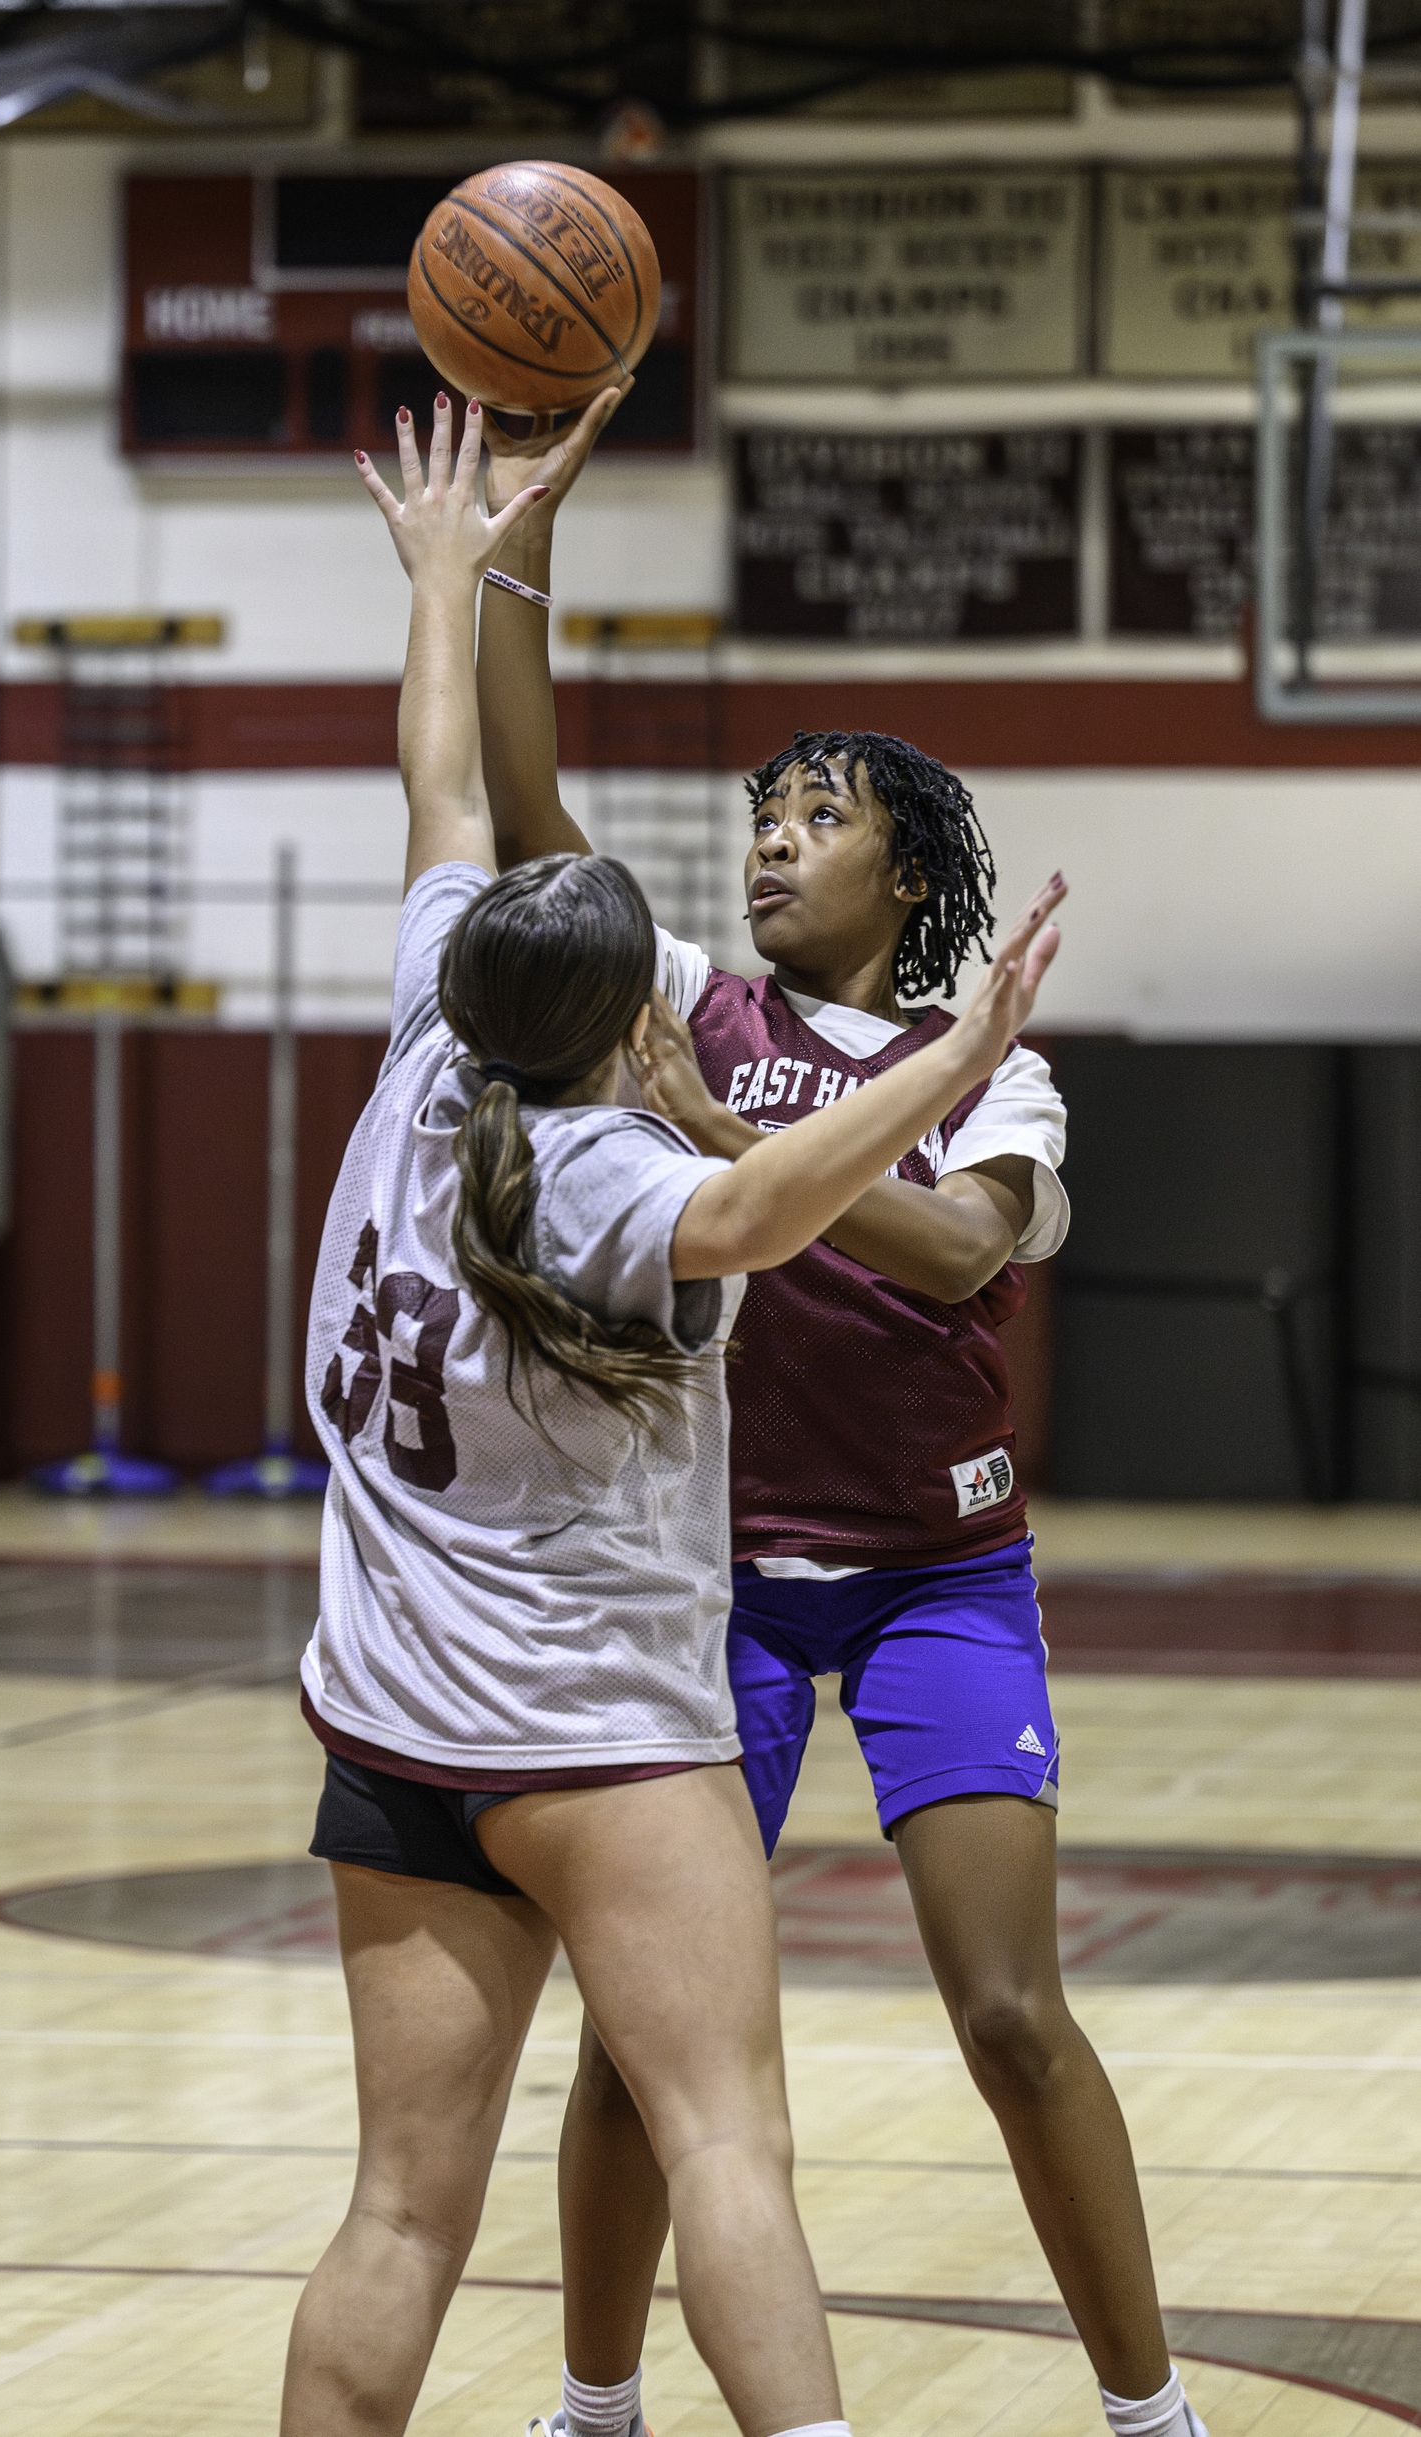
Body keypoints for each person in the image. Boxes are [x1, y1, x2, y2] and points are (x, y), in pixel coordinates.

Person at [279, 388, 1063, 2437]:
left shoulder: (415, 1064)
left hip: (387, 1734)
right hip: (599, 1742)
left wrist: (453, 570)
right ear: (630, 1018)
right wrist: (958, 1047)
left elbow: (446, 789)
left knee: (395, 2215)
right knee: (729, 2146)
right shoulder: (624, 1182)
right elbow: (783, 1198)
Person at [473, 402, 1208, 2437]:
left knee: (1008, 2015)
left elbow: (969, 1256)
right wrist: (519, 550)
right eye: (762, 810)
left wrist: (741, 1150)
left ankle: (1154, 2415)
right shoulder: (692, 997)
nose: (770, 837)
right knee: (644, 2041)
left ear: (909, 865)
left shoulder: (990, 1069)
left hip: (936, 1579)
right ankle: (596, 2405)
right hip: (711, 1583)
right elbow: (533, 806)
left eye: (817, 815)